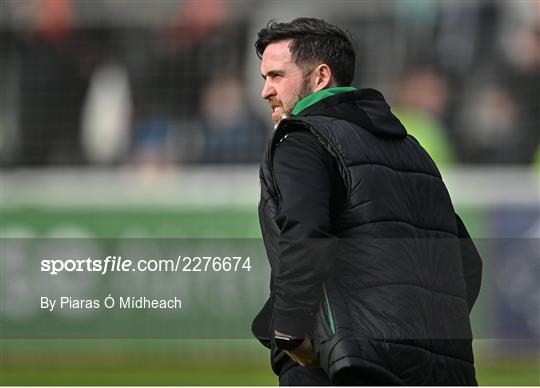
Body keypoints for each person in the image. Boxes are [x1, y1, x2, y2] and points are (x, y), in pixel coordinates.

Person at [251, 18, 483, 386]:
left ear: (320, 76)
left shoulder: (302, 139)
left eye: (277, 76)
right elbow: (466, 261)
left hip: (339, 364)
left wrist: (290, 332)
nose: (266, 91)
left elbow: (305, 236)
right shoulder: (412, 149)